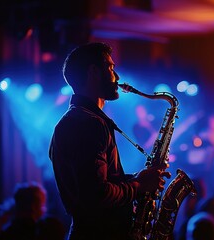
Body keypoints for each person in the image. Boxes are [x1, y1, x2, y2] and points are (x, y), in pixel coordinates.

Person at [49, 42, 171, 239]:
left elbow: (95, 184)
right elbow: (97, 195)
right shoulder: (87, 123)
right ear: (94, 72)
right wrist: (139, 185)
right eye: (111, 68)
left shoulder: (81, 119)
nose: (118, 77)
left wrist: (136, 179)